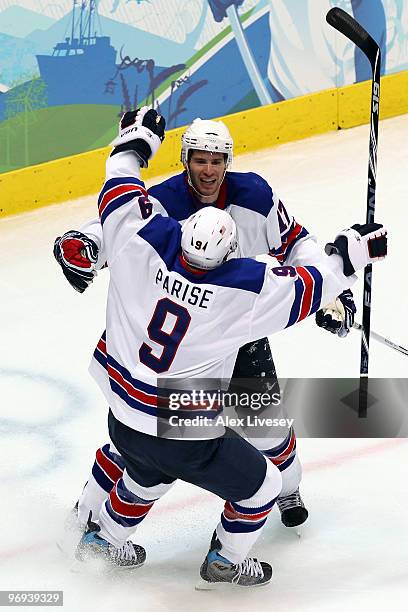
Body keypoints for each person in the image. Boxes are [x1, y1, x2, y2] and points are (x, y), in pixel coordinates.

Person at [70, 107, 386, 586]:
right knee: (205, 458)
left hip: (141, 379)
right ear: (185, 159)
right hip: (217, 346)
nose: (208, 169)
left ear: (227, 162)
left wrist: (130, 150)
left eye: (217, 160)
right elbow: (298, 285)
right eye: (199, 158)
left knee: (229, 438)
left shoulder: (187, 220)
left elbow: (119, 216)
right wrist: (342, 269)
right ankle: (244, 527)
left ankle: (98, 527)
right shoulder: (239, 289)